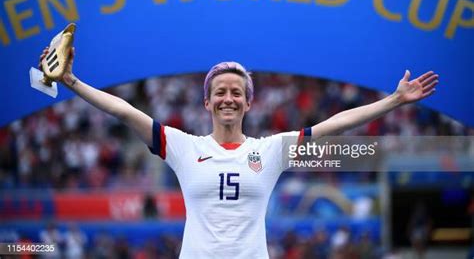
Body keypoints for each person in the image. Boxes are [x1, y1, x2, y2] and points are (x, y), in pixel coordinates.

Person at [39, 47, 438, 259]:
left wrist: (393, 101)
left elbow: (336, 125)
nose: (228, 98)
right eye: (220, 92)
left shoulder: (271, 150)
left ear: (248, 103)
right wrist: (72, 80)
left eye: (236, 92)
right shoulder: (183, 146)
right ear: (207, 103)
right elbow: (123, 110)